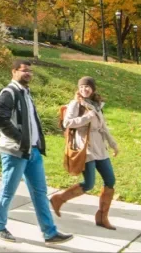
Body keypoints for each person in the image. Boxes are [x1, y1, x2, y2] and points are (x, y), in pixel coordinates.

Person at [0, 60, 73, 245]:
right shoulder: (9, 93)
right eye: (24, 70)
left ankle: (50, 232)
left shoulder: (26, 93)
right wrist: (20, 138)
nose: (28, 73)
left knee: (40, 192)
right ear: (13, 72)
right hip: (15, 152)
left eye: (30, 71)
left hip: (32, 152)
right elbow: (0, 119)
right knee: (8, 191)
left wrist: (33, 143)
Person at [50, 77, 119, 230]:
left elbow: (103, 127)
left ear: (93, 89)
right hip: (85, 148)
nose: (84, 90)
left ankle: (102, 216)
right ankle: (59, 199)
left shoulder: (97, 104)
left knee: (110, 180)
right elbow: (67, 123)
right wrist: (86, 118)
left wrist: (113, 144)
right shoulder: (76, 104)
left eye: (87, 87)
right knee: (89, 184)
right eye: (82, 87)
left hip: (100, 147)